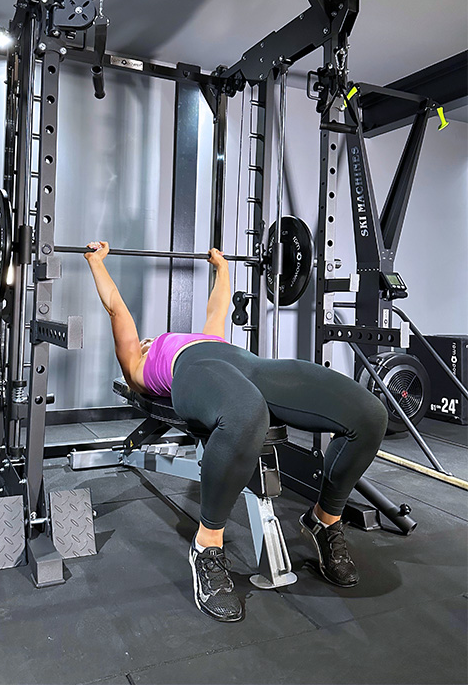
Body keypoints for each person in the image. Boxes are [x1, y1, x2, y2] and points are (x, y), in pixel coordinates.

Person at [85, 241, 388, 622]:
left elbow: (218, 306)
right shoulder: (140, 363)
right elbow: (116, 305)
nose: (144, 339)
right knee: (246, 415)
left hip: (250, 365)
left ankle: (324, 520)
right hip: (196, 374)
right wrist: (96, 262)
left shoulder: (207, 336)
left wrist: (221, 266)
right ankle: (206, 544)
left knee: (369, 415)